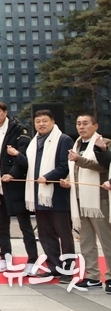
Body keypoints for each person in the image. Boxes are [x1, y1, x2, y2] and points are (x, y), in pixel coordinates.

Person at [14, 109, 74, 283]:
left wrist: (47, 177)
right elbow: (29, 166)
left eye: (44, 120)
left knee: (64, 234)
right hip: (38, 194)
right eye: (38, 121)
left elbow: (64, 166)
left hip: (57, 194)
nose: (41, 124)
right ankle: (53, 266)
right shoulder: (34, 142)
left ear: (53, 121)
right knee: (46, 235)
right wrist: (17, 156)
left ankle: (68, 269)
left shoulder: (63, 139)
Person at [0, 101, 38, 275]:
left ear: (5, 112)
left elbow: (23, 157)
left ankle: (32, 260)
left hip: (15, 184)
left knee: (25, 225)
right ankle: (5, 258)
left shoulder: (19, 130)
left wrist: (12, 174)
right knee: (2, 226)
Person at [61, 114, 111, 291]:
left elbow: (102, 166)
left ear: (95, 126)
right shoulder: (77, 144)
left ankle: (110, 276)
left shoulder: (104, 143)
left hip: (98, 199)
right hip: (79, 199)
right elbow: (75, 169)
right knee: (86, 241)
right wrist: (68, 179)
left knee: (106, 240)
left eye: (85, 123)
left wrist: (79, 159)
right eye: (78, 124)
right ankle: (92, 276)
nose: (81, 127)